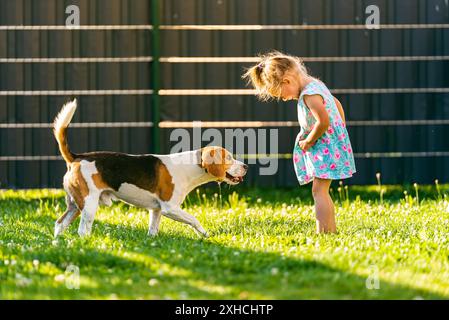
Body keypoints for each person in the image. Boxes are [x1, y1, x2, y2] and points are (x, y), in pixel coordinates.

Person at [242, 51, 356, 233]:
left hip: (325, 146)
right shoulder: (316, 85)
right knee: (321, 191)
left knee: (319, 192)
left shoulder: (308, 95)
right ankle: (330, 230)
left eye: (281, 94)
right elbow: (335, 102)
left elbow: (323, 121)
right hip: (331, 145)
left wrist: (310, 141)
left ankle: (325, 233)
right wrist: (341, 128)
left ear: (287, 80)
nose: (284, 98)